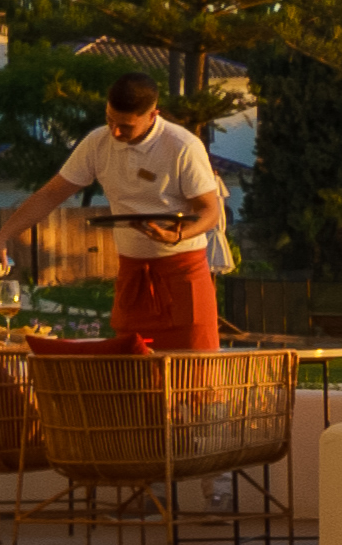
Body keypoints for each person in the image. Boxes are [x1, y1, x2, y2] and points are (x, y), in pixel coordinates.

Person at [44, 73, 232, 351]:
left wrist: (177, 235)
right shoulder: (98, 142)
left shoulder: (182, 146)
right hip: (133, 274)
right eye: (109, 120)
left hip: (183, 272)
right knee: (130, 379)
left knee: (193, 379)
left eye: (125, 126)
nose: (115, 132)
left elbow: (210, 213)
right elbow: (48, 195)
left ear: (152, 115)